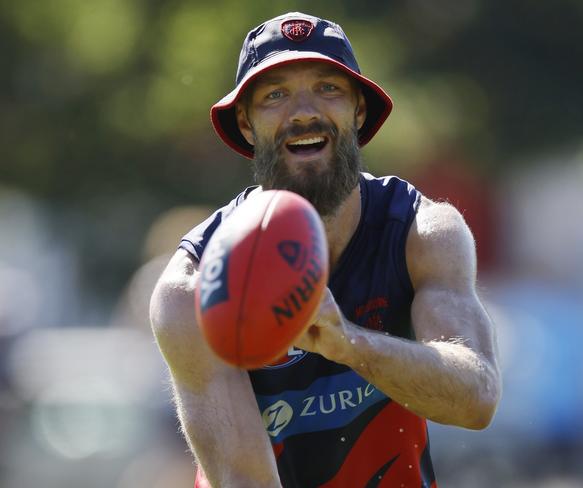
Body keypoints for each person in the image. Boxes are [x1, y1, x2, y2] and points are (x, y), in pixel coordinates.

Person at [150, 12, 501, 488]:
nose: (303, 112)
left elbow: (476, 399)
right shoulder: (192, 286)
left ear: (359, 111)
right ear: (246, 125)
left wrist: (348, 343)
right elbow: (243, 479)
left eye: (328, 89)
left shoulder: (422, 231)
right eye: (275, 96)